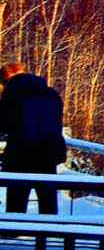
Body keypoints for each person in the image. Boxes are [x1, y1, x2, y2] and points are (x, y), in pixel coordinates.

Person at [0, 60, 65, 215]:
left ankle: (14, 232)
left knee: (17, 199)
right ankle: (49, 232)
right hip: (48, 153)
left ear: (6, 78)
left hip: (21, 153)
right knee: (47, 198)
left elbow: (3, 124)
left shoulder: (12, 96)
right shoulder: (52, 94)